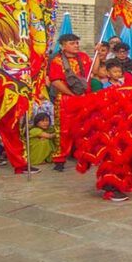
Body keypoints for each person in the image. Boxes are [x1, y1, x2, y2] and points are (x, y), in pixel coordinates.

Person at [48, 33, 91, 174]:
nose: (76, 45)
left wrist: (97, 52)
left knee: (84, 128)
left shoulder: (84, 57)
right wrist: (72, 94)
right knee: (63, 130)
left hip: (84, 98)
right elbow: (55, 81)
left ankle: (84, 156)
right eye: (72, 43)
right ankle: (59, 159)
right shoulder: (57, 60)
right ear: (63, 45)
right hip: (65, 99)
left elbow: (93, 71)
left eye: (77, 43)